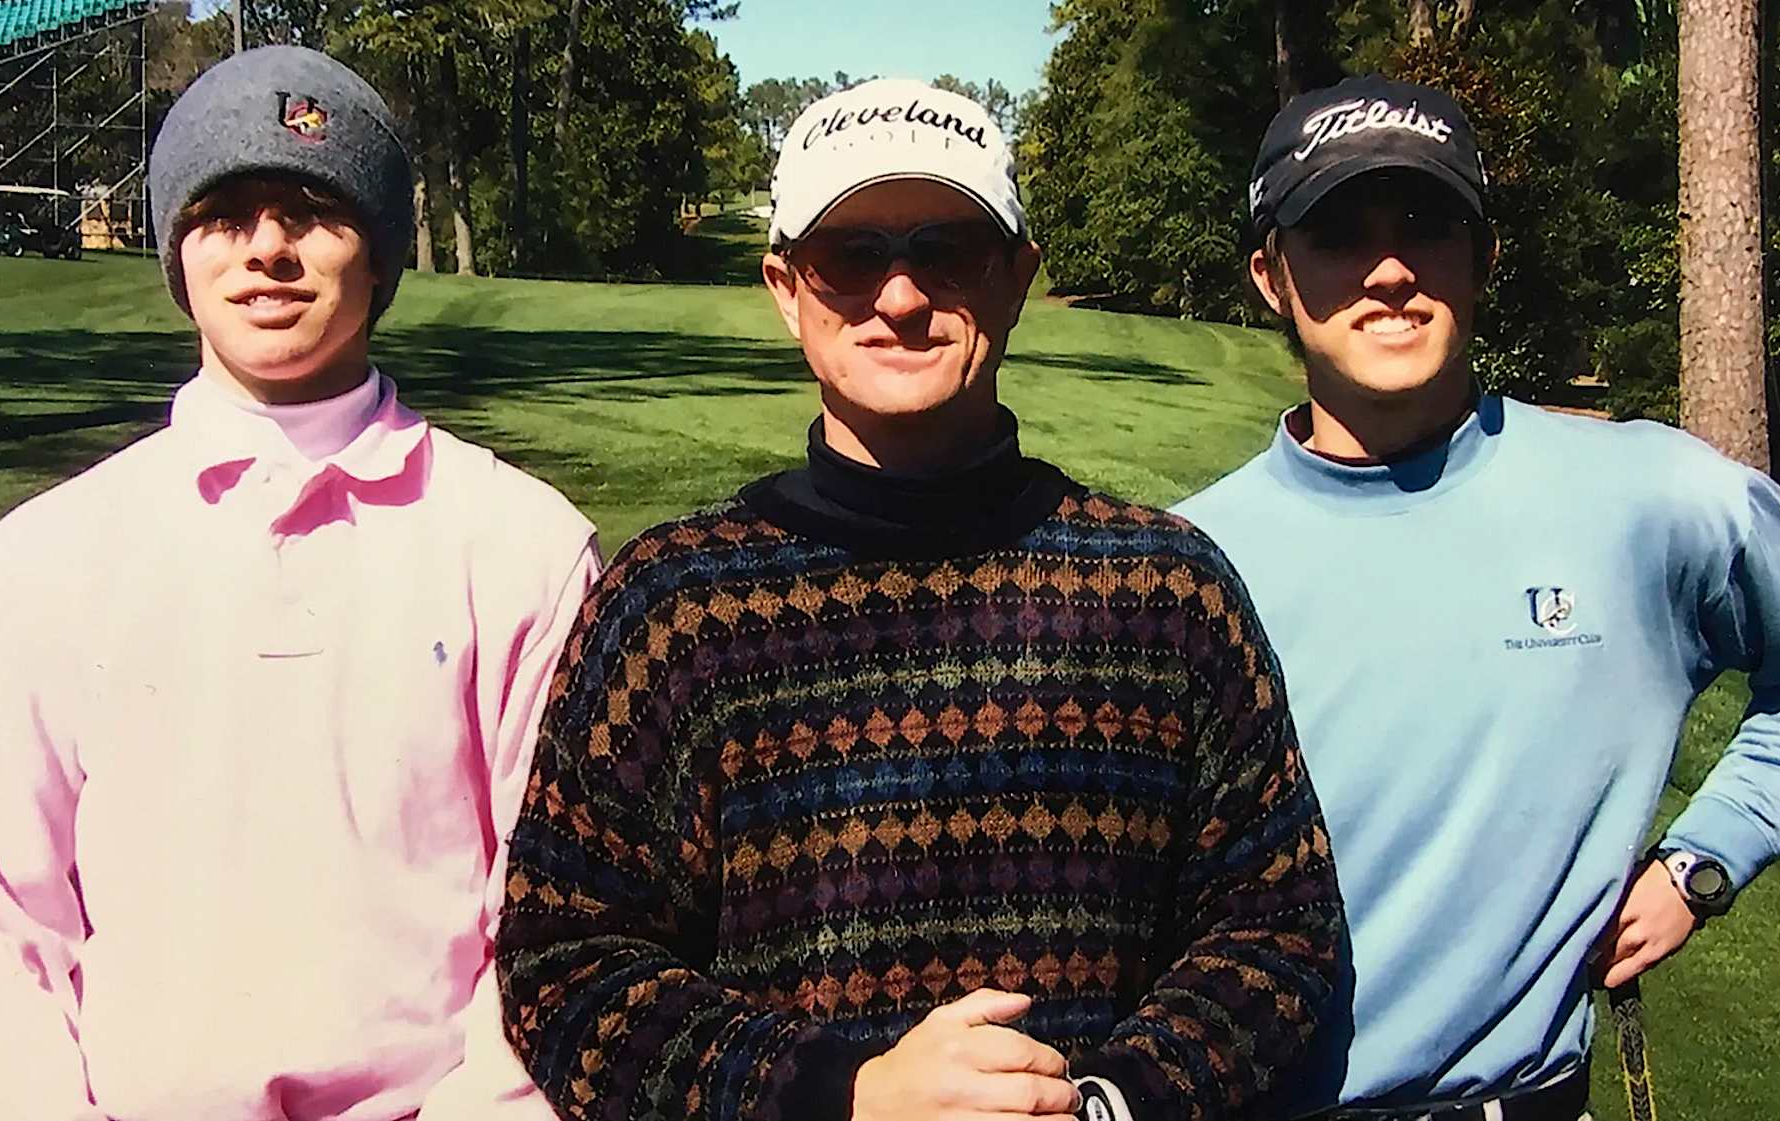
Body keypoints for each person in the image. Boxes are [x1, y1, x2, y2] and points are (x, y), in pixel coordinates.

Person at [494, 79, 1344, 1121]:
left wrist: (1106, 1102)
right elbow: (563, 965)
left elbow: (1284, 937)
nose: (901, 297)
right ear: (785, 285)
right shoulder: (673, 606)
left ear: (1018, 277)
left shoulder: (1163, 592)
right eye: (851, 256)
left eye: (947, 250)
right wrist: (841, 1092)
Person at [1175, 75, 1780, 1120]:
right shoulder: (1187, 560)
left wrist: (1706, 856)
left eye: (1428, 222)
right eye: (1337, 229)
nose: (1389, 268)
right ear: (1270, 274)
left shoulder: (1643, 500)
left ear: (1485, 258)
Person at [0, 46, 601, 1121]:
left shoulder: (519, 545)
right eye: (225, 213)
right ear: (177, 253)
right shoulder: (47, 556)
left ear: (378, 254)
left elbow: (559, 912)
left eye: (313, 209)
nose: (267, 249)